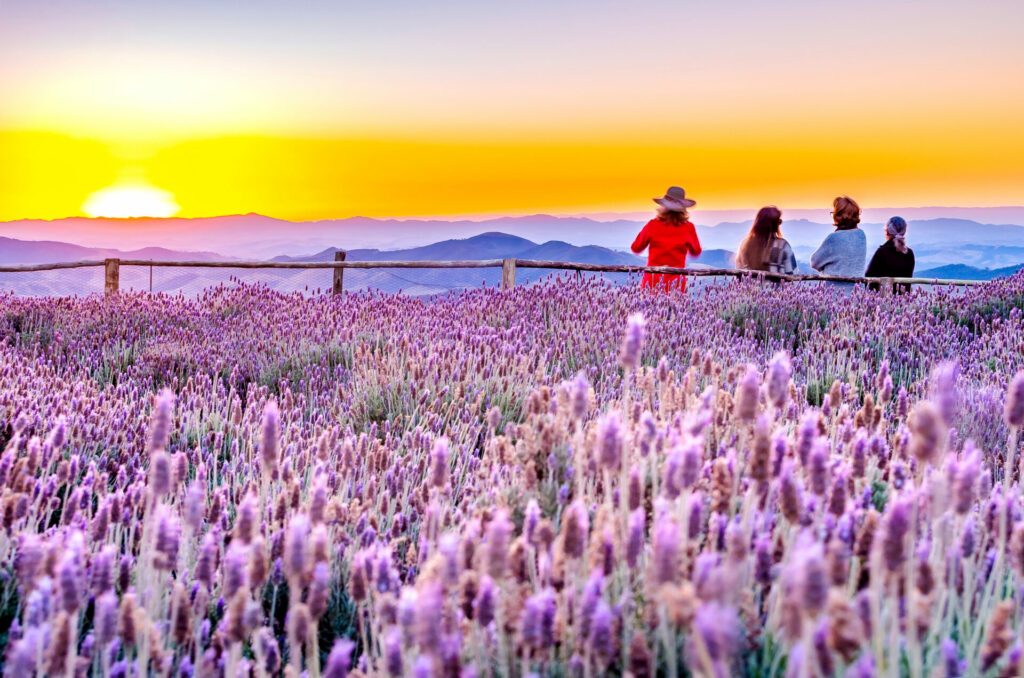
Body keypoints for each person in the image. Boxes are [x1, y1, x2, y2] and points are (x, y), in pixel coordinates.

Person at [630, 186, 703, 292]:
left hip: (652, 281)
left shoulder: (652, 225)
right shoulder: (688, 228)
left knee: (649, 307)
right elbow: (696, 251)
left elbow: (636, 248)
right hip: (676, 283)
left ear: (663, 206)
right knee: (675, 308)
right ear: (683, 209)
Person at [810, 196, 867, 288]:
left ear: (838, 216)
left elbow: (814, 262)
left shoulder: (834, 238)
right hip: (858, 293)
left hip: (835, 294)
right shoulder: (861, 235)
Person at [735, 206, 797, 277]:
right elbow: (792, 274)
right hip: (776, 287)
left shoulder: (744, 245)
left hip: (748, 287)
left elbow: (738, 273)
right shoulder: (782, 246)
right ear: (776, 225)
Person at [865, 216, 915, 293]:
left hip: (882, 300)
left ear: (887, 231)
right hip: (903, 300)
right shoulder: (909, 253)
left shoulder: (882, 252)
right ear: (904, 231)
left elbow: (869, 277)